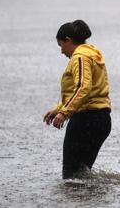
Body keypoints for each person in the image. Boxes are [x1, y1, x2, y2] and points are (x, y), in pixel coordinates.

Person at [43, 20, 112, 179]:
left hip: (85, 121)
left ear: (68, 40)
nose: (61, 51)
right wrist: (58, 108)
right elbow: (88, 90)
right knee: (82, 175)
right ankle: (91, 202)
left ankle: (75, 203)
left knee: (70, 177)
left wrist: (64, 113)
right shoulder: (93, 54)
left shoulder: (80, 57)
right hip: (102, 120)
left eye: (61, 45)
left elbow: (83, 87)